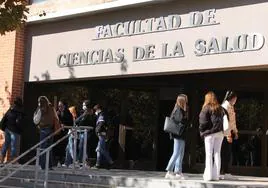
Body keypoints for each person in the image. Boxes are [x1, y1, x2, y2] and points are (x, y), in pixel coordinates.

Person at [199, 91, 224, 181]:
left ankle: (208, 176)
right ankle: (215, 176)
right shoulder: (220, 108)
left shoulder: (206, 108)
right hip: (220, 133)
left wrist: (202, 131)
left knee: (209, 154)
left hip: (209, 133)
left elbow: (203, 122)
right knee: (217, 153)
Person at [165, 94, 188, 179]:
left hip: (180, 135)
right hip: (178, 135)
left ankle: (178, 171)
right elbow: (180, 122)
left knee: (180, 153)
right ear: (182, 101)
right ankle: (169, 171)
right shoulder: (179, 110)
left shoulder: (180, 109)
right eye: (185, 100)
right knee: (176, 153)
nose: (187, 102)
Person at [34, 96, 59, 170]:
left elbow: (36, 120)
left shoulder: (40, 109)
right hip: (51, 130)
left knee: (42, 148)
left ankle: (43, 165)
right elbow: (56, 118)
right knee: (49, 148)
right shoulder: (52, 107)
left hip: (43, 130)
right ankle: (50, 165)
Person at [0, 97, 24, 163]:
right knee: (14, 145)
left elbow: (5, 117)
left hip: (7, 129)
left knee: (6, 144)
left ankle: (1, 158)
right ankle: (14, 161)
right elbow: (18, 122)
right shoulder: (19, 110)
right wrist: (20, 129)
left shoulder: (10, 108)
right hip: (15, 130)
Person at [221, 91, 238, 179]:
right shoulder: (225, 106)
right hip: (225, 133)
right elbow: (226, 122)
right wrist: (228, 134)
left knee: (228, 153)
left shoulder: (231, 106)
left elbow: (232, 121)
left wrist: (235, 131)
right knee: (224, 152)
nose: (235, 101)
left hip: (229, 131)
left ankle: (226, 172)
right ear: (231, 98)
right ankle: (223, 172)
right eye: (235, 99)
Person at [54, 99, 73, 167]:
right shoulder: (57, 113)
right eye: (59, 106)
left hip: (64, 133)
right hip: (57, 133)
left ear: (64, 106)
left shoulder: (68, 114)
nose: (60, 108)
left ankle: (62, 161)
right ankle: (56, 161)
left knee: (63, 147)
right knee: (57, 147)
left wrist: (65, 125)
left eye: (61, 106)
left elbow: (71, 123)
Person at [94, 104, 113, 168]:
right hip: (102, 133)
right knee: (98, 149)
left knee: (102, 149)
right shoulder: (103, 114)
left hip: (102, 134)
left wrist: (97, 131)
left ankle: (111, 162)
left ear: (98, 109)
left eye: (96, 110)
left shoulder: (101, 115)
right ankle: (98, 164)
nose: (95, 112)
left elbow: (100, 124)